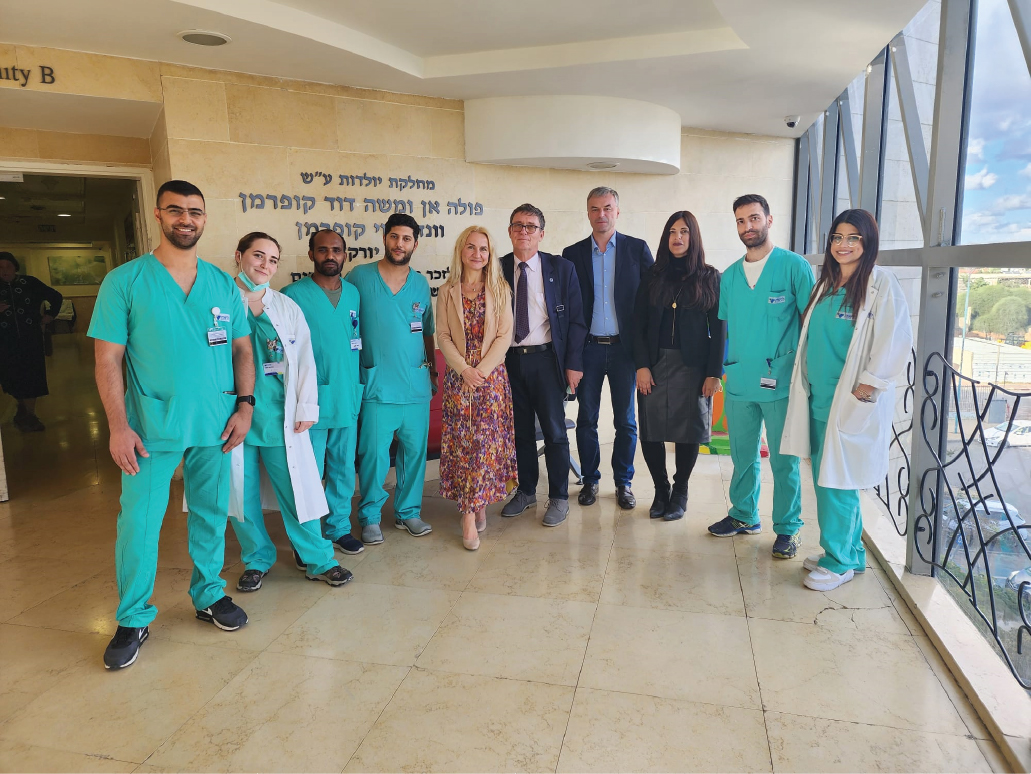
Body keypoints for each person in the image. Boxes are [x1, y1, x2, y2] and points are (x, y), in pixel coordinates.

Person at [90, 180, 255, 670]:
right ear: (158, 215)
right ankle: (133, 617)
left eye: (195, 212)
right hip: (149, 425)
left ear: (205, 219)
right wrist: (118, 427)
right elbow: (107, 359)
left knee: (210, 511)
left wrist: (245, 406)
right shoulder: (125, 282)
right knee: (139, 521)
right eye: (176, 210)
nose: (187, 219)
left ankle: (209, 594)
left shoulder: (222, 284)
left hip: (216, 421)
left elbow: (242, 348)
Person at [781, 209, 912, 591]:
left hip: (850, 402)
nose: (844, 244)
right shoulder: (827, 283)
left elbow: (894, 340)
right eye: (838, 237)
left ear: (868, 242)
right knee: (830, 480)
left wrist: (866, 390)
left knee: (836, 483)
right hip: (818, 398)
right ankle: (850, 553)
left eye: (853, 238)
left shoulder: (880, 284)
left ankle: (837, 561)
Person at [226, 232, 353, 591]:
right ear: (239, 255)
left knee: (298, 489)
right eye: (258, 256)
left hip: (277, 414)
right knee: (241, 493)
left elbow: (305, 360)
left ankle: (319, 559)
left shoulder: (285, 306)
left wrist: (307, 406)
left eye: (273, 260)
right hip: (231, 415)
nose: (265, 265)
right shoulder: (219, 303)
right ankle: (256, 558)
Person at [708, 194, 815, 560]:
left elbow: (810, 324)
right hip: (739, 379)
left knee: (784, 460)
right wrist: (719, 371)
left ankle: (788, 528)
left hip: (781, 380)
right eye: (741, 221)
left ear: (769, 219)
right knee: (743, 455)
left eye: (754, 218)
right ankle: (743, 514)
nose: (747, 226)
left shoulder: (794, 267)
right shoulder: (729, 277)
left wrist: (809, 375)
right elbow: (724, 329)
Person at [346, 212, 437, 545]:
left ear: (415, 244)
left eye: (407, 238)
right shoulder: (360, 277)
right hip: (377, 384)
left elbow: (427, 331)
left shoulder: (420, 284)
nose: (400, 244)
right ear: (385, 238)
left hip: (415, 385)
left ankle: (408, 512)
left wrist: (432, 372)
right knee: (373, 455)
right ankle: (370, 516)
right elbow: (346, 324)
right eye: (395, 236)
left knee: (413, 454)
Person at [563, 187, 654, 510]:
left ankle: (623, 482)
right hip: (587, 349)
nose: (601, 214)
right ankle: (590, 480)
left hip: (624, 351)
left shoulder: (637, 249)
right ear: (588, 213)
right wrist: (570, 358)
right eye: (594, 208)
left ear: (617, 211)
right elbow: (567, 310)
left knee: (626, 421)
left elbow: (651, 302)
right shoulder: (572, 254)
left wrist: (646, 358)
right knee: (586, 419)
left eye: (607, 208)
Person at [499, 203, 588, 528]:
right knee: (520, 431)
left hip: (547, 361)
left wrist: (573, 364)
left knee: (554, 431)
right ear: (510, 231)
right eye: (518, 225)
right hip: (509, 362)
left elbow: (577, 320)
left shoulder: (561, 268)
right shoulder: (497, 268)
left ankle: (559, 497)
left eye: (531, 226)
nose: (524, 231)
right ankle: (526, 491)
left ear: (541, 233)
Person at [634, 212, 726, 521]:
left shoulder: (710, 277)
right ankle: (661, 490)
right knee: (651, 430)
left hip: (693, 367)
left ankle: (680, 490)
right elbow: (638, 325)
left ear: (693, 237)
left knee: (689, 431)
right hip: (654, 365)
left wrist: (714, 373)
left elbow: (720, 329)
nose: (678, 237)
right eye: (672, 232)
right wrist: (642, 366)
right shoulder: (652, 276)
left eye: (684, 231)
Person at [281, 229, 366, 557]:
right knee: (309, 471)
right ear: (311, 254)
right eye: (322, 250)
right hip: (309, 401)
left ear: (345, 254)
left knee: (343, 468)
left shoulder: (354, 294)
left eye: (336, 250)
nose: (330, 256)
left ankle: (339, 528)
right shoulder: (292, 296)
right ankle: (309, 537)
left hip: (346, 395)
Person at [437, 226, 517, 550]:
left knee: (483, 445)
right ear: (461, 251)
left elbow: (504, 336)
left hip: (490, 379)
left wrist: (480, 372)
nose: (477, 254)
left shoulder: (500, 289)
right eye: (471, 247)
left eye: (483, 249)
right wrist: (464, 369)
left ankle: (476, 506)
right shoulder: (447, 291)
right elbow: (442, 335)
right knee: (464, 445)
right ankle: (469, 512)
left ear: (490, 254)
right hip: (459, 379)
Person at [0, 252, 63, 432]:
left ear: (15, 267)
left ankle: (29, 415)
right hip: (5, 341)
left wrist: (49, 316)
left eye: (8, 266)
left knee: (31, 376)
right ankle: (22, 408)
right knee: (11, 377)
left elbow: (56, 296)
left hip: (30, 339)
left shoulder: (30, 283)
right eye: (0, 267)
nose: (4, 271)